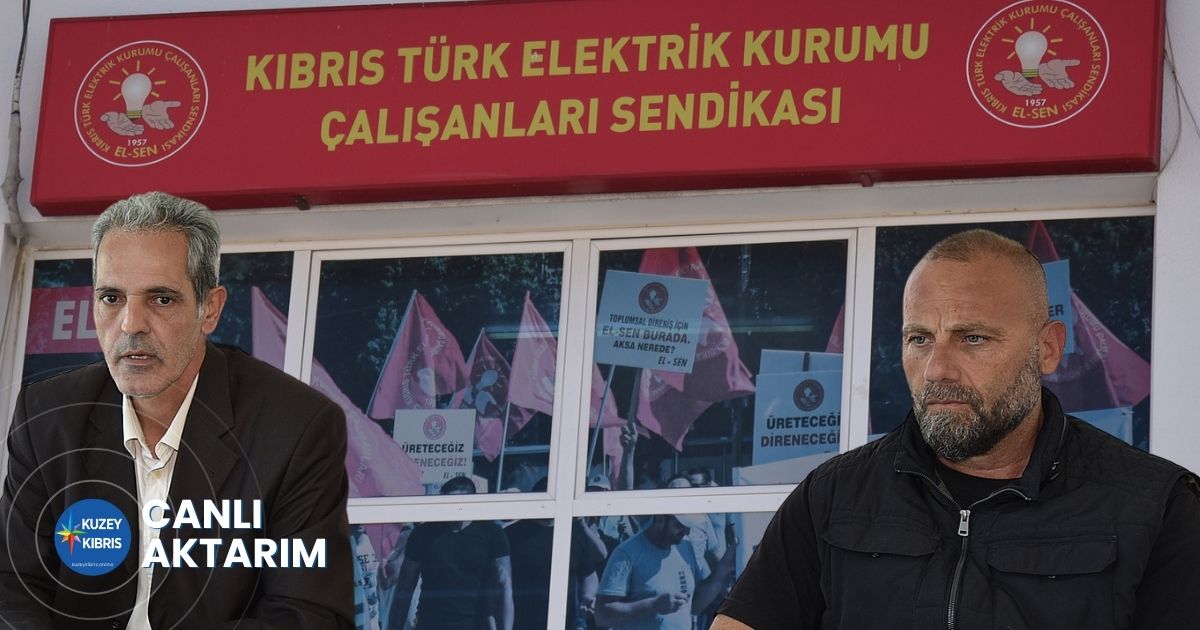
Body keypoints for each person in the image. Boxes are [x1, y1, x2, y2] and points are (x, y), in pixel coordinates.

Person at [713, 229, 1200, 629]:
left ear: (1047, 349)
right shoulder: (834, 495)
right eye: (919, 339)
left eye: (973, 338)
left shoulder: (1157, 507)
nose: (936, 369)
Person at [0, 192, 353, 628]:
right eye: (111, 298)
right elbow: (13, 584)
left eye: (161, 299)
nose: (131, 324)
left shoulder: (296, 427)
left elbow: (307, 614)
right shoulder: (48, 415)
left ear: (210, 309)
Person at [390, 475, 513, 630]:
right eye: (447, 502)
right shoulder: (423, 534)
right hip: (432, 624)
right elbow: (405, 587)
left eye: (458, 503)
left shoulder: (491, 533)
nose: (452, 508)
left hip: (476, 625)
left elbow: (504, 584)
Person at [596, 513, 735, 630]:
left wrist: (721, 572)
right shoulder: (626, 553)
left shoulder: (685, 547)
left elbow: (695, 606)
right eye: (679, 525)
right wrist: (653, 605)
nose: (686, 532)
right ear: (660, 519)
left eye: (688, 527)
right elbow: (602, 616)